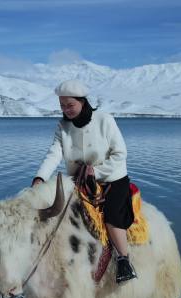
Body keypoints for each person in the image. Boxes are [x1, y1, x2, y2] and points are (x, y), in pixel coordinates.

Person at [32, 79, 137, 284]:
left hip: (111, 178)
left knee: (112, 216)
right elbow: (55, 153)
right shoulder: (63, 126)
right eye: (62, 105)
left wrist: (96, 172)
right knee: (57, 210)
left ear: (82, 102)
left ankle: (124, 261)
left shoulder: (105, 120)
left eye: (70, 105)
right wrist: (40, 178)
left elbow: (120, 153)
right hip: (77, 180)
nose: (66, 110)